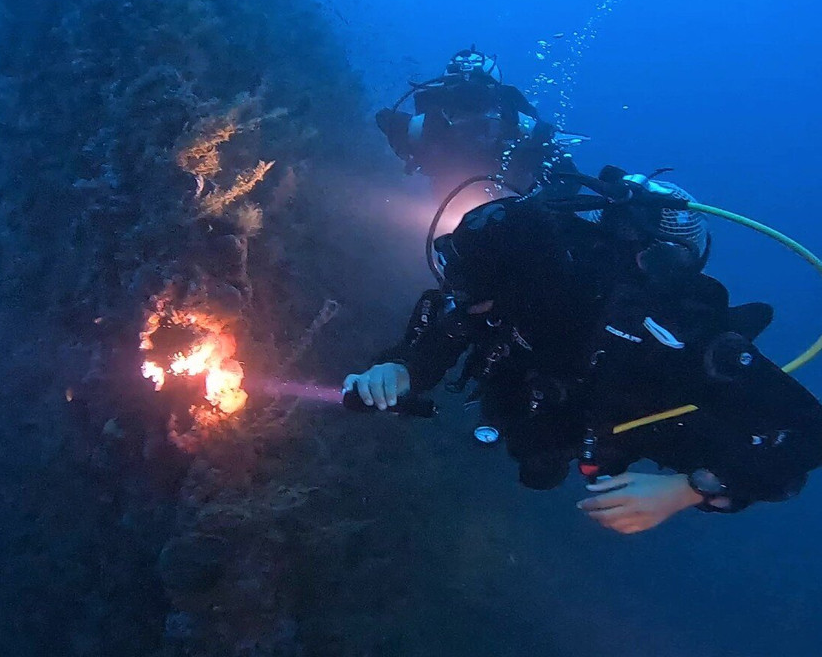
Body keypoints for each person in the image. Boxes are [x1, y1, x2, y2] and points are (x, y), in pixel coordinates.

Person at [344, 165, 822, 534]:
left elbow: (808, 433)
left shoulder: (670, 335)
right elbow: (450, 325)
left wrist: (688, 490)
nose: (470, 304)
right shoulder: (520, 282)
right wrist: (401, 369)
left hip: (624, 413)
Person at [375, 47, 581, 199]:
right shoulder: (423, 128)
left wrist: (541, 204)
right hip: (450, 211)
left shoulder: (524, 128)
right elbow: (388, 124)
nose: (470, 113)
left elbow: (567, 176)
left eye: (477, 101)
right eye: (460, 101)